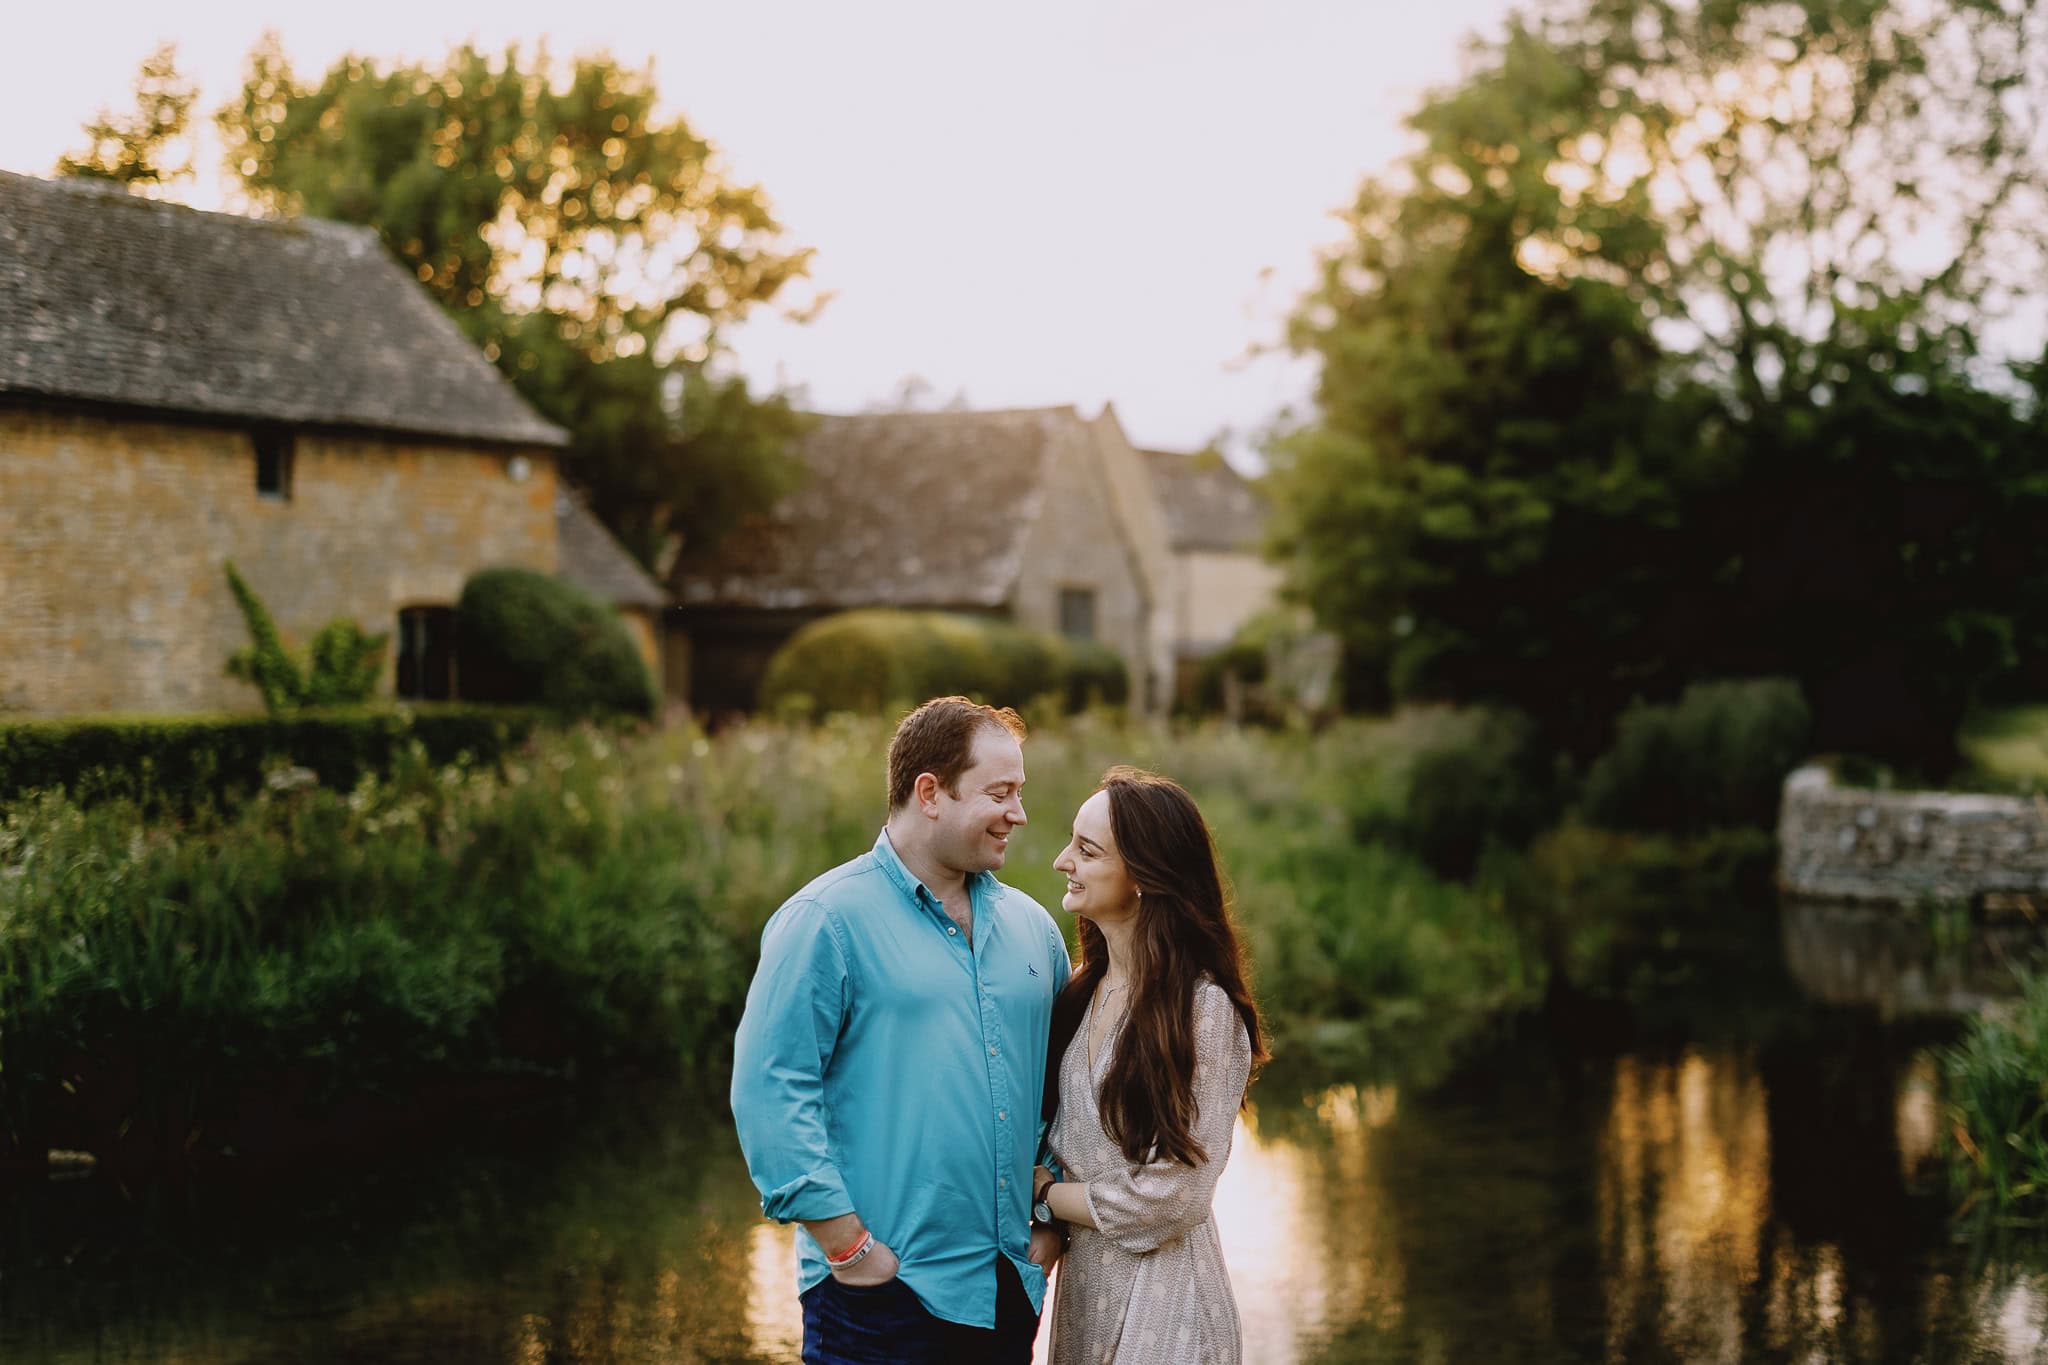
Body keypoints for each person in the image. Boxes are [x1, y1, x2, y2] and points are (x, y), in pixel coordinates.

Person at [731, 696, 1071, 1365]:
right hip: (876, 1297)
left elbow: (1070, 1087)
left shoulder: (1035, 930)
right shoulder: (825, 919)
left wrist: (1053, 1219)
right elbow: (771, 1089)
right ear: (930, 792)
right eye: (999, 793)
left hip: (1006, 1291)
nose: (1020, 814)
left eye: (1021, 793)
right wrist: (846, 1243)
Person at [1034, 765, 1266, 1364]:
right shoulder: (1081, 993)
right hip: (1085, 1299)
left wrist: (1044, 1195)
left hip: (1169, 1311)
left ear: (1143, 877)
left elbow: (1173, 1199)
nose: (1063, 861)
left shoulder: (1203, 1010)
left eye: (1086, 850)